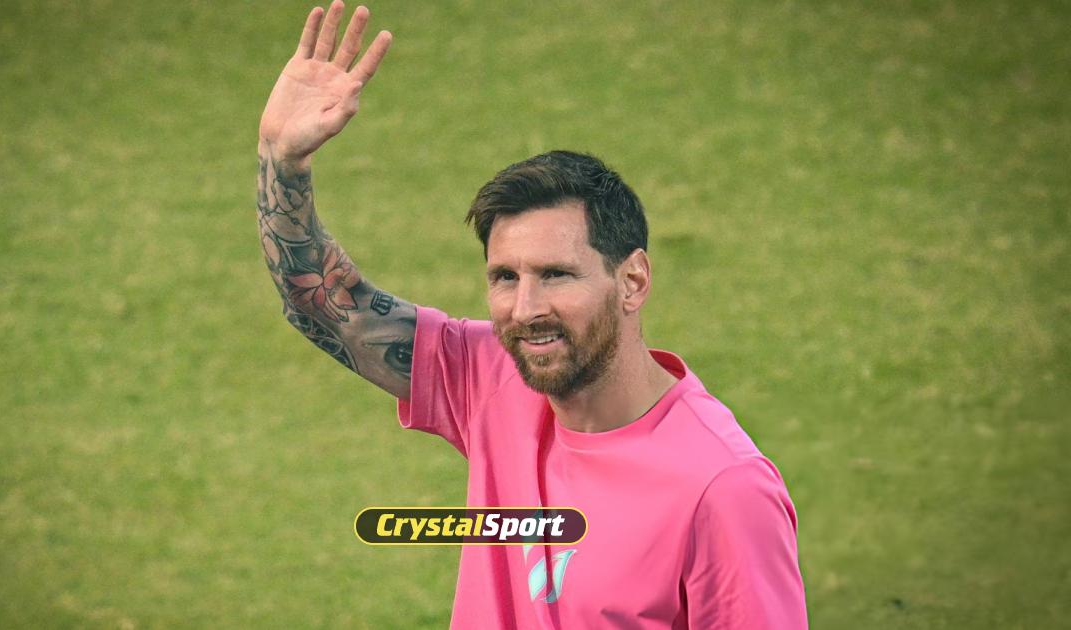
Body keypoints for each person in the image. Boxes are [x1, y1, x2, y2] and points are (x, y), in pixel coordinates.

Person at [257, 2, 809, 628]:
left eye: (556, 275)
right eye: (505, 277)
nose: (525, 311)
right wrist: (283, 161)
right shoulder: (494, 378)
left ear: (632, 281)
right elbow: (323, 305)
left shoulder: (724, 489)